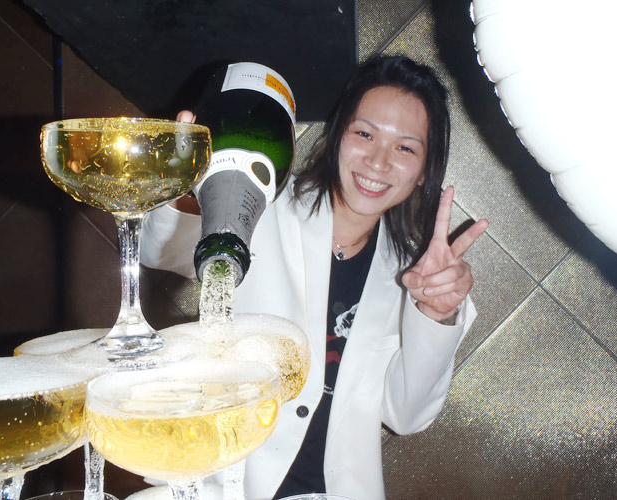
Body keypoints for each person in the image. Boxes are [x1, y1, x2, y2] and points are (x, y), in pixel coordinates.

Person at [140, 55, 489, 500]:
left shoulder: (418, 278)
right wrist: (187, 185)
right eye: (364, 134)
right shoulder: (261, 203)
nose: (378, 161)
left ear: (424, 172)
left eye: (405, 148)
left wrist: (435, 315)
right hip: (223, 485)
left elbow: (407, 415)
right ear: (337, 135)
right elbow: (157, 248)